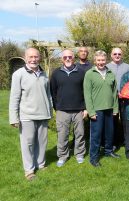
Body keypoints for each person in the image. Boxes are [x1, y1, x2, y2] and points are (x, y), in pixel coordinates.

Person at [9, 47, 52, 180]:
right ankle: (29, 170)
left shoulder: (44, 74)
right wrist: (13, 118)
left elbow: (48, 95)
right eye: (31, 57)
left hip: (43, 114)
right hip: (27, 116)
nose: (33, 59)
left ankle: (41, 164)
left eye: (36, 57)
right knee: (27, 144)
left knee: (42, 142)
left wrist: (50, 111)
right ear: (25, 58)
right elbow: (14, 97)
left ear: (39, 58)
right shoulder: (18, 74)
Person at [50, 49, 87, 167]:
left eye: (70, 57)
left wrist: (85, 108)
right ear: (62, 59)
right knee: (62, 135)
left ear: (73, 58)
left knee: (80, 134)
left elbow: (86, 91)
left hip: (78, 110)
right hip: (62, 110)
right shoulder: (56, 73)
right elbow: (53, 92)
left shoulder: (81, 72)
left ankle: (79, 154)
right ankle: (62, 156)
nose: (67, 59)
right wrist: (57, 107)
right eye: (65, 57)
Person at [83, 50, 119, 167]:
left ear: (106, 60)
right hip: (96, 110)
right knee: (96, 135)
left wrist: (115, 108)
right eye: (98, 60)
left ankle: (108, 151)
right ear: (95, 61)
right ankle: (94, 158)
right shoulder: (90, 73)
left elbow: (114, 93)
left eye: (103, 60)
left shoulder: (110, 73)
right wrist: (91, 111)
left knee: (110, 133)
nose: (101, 62)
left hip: (109, 108)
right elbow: (87, 94)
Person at [107, 47, 129, 148]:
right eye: (115, 54)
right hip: (112, 98)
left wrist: (125, 93)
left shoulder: (127, 67)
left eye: (119, 54)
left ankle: (126, 141)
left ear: (122, 55)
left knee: (126, 120)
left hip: (125, 98)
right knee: (113, 120)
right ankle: (113, 142)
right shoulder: (106, 66)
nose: (117, 56)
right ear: (111, 55)